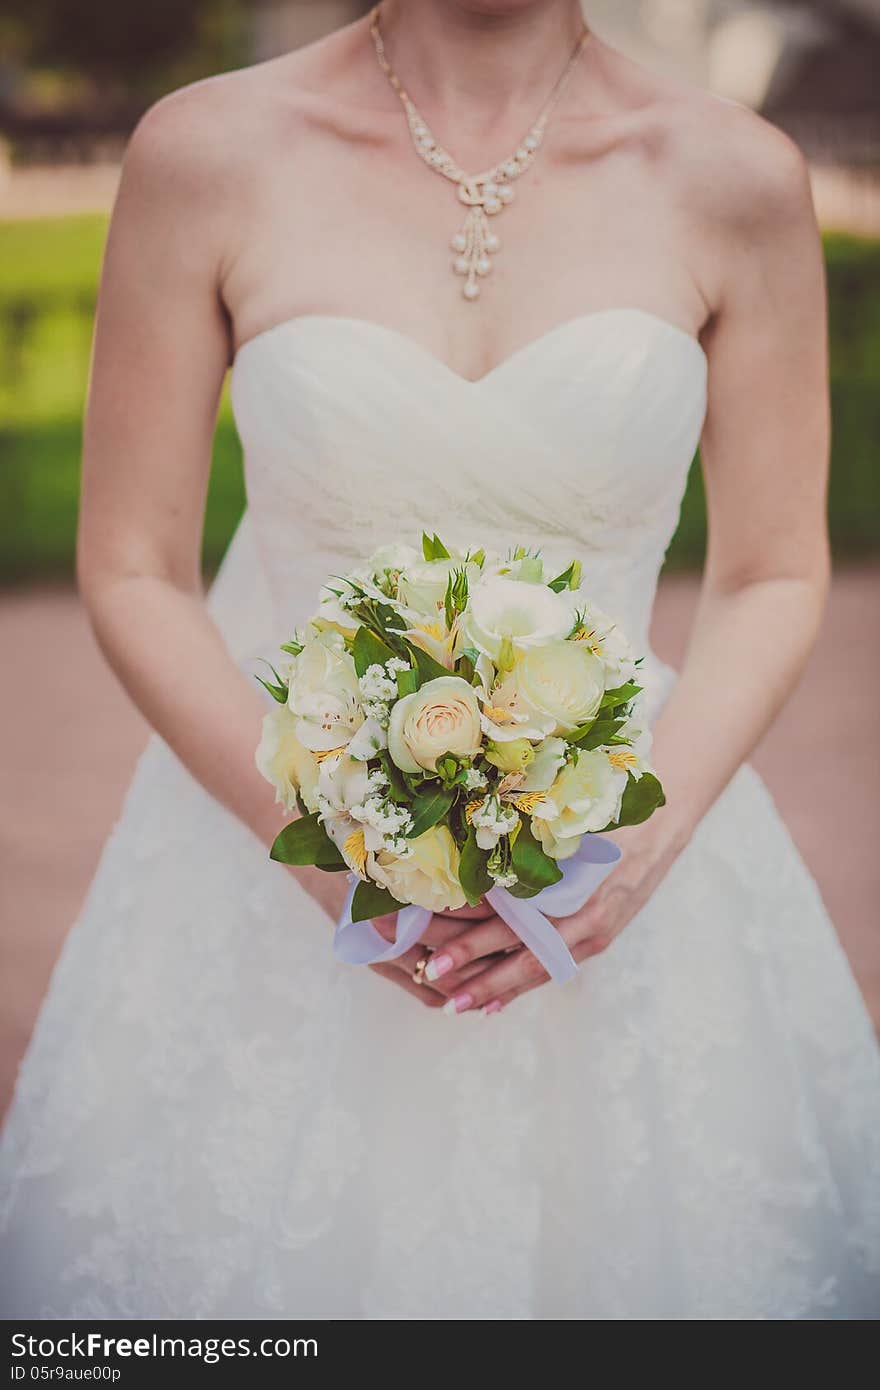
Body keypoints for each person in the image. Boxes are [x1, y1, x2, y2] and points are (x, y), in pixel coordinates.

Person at [2, 0, 878, 1319]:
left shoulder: (736, 178)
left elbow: (774, 568)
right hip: (280, 872)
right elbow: (131, 563)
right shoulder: (205, 154)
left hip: (631, 866)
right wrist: (310, 830)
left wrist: (629, 853)